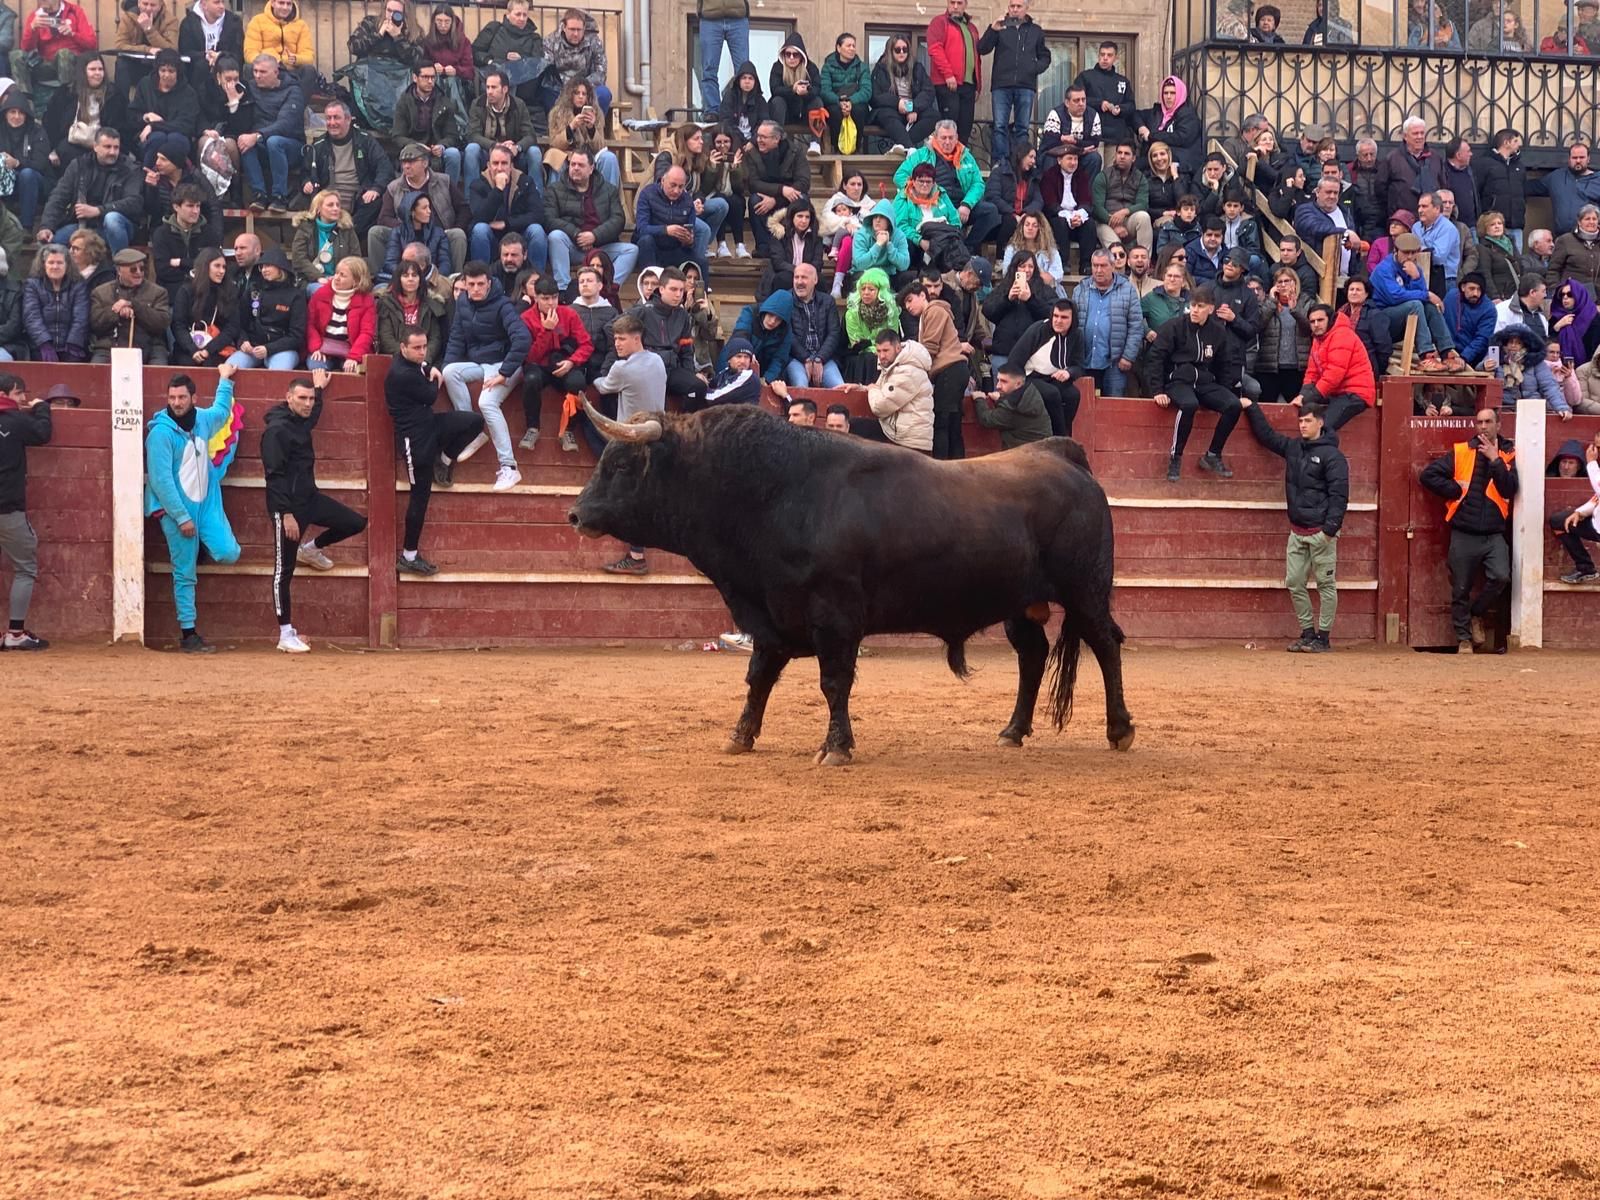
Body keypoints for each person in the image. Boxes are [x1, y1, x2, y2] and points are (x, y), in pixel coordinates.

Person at [261, 368, 367, 654]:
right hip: (288, 509)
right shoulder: (276, 431)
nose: (308, 403)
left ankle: (312, 548)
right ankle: (285, 634)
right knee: (284, 570)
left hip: (309, 499)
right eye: (303, 398)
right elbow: (274, 475)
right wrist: (285, 514)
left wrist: (319, 389)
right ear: (288, 398)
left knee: (355, 522)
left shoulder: (300, 420)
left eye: (310, 398)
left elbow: (313, 415)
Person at [1237, 394, 1348, 652]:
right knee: (1295, 582)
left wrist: (1329, 531)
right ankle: (1308, 633)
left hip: (1321, 532)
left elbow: (1339, 496)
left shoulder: (1333, 456)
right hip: (1297, 531)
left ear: (1320, 423)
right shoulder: (1294, 448)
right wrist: (1252, 407)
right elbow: (1267, 437)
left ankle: (1323, 638)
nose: (1302, 425)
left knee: (1326, 585)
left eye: (1307, 421)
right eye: (1300, 421)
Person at [144, 365, 243, 653]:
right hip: (178, 513)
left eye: (182, 397)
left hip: (207, 504)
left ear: (193, 399)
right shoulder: (160, 434)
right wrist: (182, 517)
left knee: (229, 552)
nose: (176, 402)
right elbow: (161, 482)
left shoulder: (203, 420)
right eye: (172, 397)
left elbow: (223, 411)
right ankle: (188, 635)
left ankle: (200, 546)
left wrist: (225, 380)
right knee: (184, 573)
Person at [386, 326, 483, 574]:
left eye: (424, 347)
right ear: (403, 348)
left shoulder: (409, 364)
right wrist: (433, 374)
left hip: (430, 426)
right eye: (416, 348)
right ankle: (408, 555)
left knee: (474, 421)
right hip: (414, 442)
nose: (421, 352)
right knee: (420, 497)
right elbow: (430, 395)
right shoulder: (401, 374)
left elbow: (423, 368)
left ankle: (445, 459)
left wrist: (429, 367)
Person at [1420, 407, 1518, 652]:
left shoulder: (1508, 453)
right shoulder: (1463, 450)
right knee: (1460, 587)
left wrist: (1495, 460)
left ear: (1498, 425)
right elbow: (1428, 475)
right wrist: (1454, 490)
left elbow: (1509, 489)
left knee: (1500, 576)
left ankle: (1477, 614)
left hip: (1494, 532)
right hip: (1464, 530)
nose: (1483, 426)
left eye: (1488, 422)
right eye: (1479, 422)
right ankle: (1464, 639)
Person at [442, 262, 531, 491]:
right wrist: (445, 365)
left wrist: (504, 373)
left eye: (480, 284)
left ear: (489, 283)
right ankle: (472, 432)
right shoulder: (463, 303)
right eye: (470, 284)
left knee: (487, 402)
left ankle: (510, 468)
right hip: (481, 364)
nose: (475, 289)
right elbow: (456, 338)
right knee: (450, 372)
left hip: (505, 365)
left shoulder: (503, 305)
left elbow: (522, 339)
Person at [1148, 284, 1243, 481]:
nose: (1195, 310)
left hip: (1205, 382)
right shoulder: (1174, 326)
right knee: (1189, 404)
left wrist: (1223, 392)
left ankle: (1213, 455)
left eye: (1200, 306)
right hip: (1178, 381)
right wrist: (1157, 389)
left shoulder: (1217, 332)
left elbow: (1225, 363)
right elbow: (1155, 357)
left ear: (1210, 308)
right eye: (1193, 305)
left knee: (1233, 404)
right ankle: (1176, 458)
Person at [0, 373, 51, 650]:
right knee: (25, 567)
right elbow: (43, 433)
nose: (23, 400)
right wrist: (42, 408)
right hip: (7, 508)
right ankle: (16, 634)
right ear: (11, 393)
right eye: (21, 395)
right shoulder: (16, 421)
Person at [370, 144, 469, 283]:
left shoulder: (444, 181)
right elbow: (383, 218)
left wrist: (452, 228)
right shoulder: (393, 187)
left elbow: (464, 208)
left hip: (439, 233)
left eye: (411, 162)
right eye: (403, 162)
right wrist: (407, 226)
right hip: (405, 235)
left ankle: (453, 281)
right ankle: (381, 280)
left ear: (425, 163)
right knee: (375, 232)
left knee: (458, 234)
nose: (406, 166)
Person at [37, 127, 142, 256]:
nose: (112, 152)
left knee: (112, 219)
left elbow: (134, 202)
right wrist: (47, 227)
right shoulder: (79, 165)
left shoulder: (130, 168)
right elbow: (58, 197)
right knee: (53, 245)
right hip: (83, 226)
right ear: (95, 146)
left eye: (116, 147)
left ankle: (121, 268)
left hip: (118, 228)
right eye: (107, 147)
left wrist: (98, 210)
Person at [1371, 231, 1465, 372]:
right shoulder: (1383, 269)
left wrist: (1415, 278)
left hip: (1407, 319)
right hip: (1384, 320)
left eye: (1413, 253)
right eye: (1406, 252)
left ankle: (1447, 352)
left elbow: (1421, 296)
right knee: (1415, 304)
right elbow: (1394, 296)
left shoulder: (1416, 269)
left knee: (1429, 306)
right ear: (1396, 250)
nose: (1410, 257)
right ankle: (1426, 355)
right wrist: (1426, 294)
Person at [519, 276, 594, 451]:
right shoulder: (526, 318)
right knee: (530, 379)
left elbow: (586, 344)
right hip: (539, 366)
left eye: (554, 297)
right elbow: (530, 356)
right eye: (545, 298)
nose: (551, 303)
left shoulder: (569, 314)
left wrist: (571, 362)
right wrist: (546, 331)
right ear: (536, 298)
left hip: (564, 363)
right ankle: (532, 427)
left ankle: (568, 430)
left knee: (578, 383)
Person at [546, 148, 635, 293]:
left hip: (600, 247)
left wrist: (595, 236)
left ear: (591, 168)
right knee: (555, 236)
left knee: (631, 250)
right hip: (572, 247)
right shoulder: (555, 190)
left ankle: (608, 289)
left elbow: (618, 219)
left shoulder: (608, 190)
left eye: (580, 165)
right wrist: (577, 234)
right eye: (572, 164)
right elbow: (550, 219)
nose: (575, 168)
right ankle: (563, 290)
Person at [977, 0, 1051, 165]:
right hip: (1001, 85)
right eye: (1012, 6)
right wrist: (992, 30)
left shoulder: (1036, 31)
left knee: (1022, 128)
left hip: (1026, 85)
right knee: (1000, 126)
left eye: (1019, 6)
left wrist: (1033, 68)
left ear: (1026, 8)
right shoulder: (1000, 28)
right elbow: (982, 48)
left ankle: (1021, 163)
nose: (1015, 10)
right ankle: (1000, 163)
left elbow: (1045, 56)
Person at [901, 279, 968, 459]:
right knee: (951, 425)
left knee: (941, 423)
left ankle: (942, 466)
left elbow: (930, 348)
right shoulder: (931, 313)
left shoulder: (934, 310)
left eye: (909, 300)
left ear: (922, 295)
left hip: (949, 370)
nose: (908, 306)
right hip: (952, 370)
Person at [1003, 298, 1083, 435]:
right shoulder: (1038, 330)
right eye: (1055, 316)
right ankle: (1059, 436)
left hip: (1053, 377)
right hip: (1028, 377)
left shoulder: (1076, 335)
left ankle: (1064, 432)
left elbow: (1079, 365)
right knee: (1052, 394)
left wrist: (1069, 372)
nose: (1058, 321)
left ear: (1072, 319)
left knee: (1072, 395)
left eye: (1064, 317)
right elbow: (1014, 359)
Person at [1072, 249, 1144, 397]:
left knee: (1113, 407)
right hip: (1084, 359)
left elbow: (1136, 326)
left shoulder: (1127, 290)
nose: (1098, 270)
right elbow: (1072, 323)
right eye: (1095, 265)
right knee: (1082, 405)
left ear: (1112, 266)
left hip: (1115, 362)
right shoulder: (1080, 289)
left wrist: (1128, 357)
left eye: (1103, 265)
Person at [240, 53, 304, 212]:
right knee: (243, 142)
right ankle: (259, 195)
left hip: (291, 146)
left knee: (274, 141)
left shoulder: (293, 91)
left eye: (263, 72)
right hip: (262, 144)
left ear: (276, 72)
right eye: (255, 71)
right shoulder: (250, 87)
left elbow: (285, 124)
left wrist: (257, 135)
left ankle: (279, 197)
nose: (257, 76)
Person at [739, 120, 809, 259]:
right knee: (754, 200)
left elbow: (803, 182)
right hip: (768, 195)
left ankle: (797, 246)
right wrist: (781, 190)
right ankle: (764, 248)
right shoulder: (752, 152)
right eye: (758, 136)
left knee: (802, 199)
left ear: (776, 139)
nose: (758, 140)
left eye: (763, 137)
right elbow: (753, 183)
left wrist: (776, 199)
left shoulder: (795, 151)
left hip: (788, 198)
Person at [226, 245, 303, 370]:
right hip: (252, 348)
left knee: (278, 373)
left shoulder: (296, 295)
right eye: (262, 266)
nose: (263, 270)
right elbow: (239, 323)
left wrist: (269, 349)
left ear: (280, 267)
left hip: (283, 350)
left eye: (268, 266)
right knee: (228, 368)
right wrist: (242, 341)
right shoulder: (253, 290)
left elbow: (296, 335)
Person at [89, 246, 169, 364]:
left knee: (159, 371)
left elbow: (161, 323)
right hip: (109, 347)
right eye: (133, 269)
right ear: (119, 270)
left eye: (142, 268)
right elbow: (95, 324)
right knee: (95, 373)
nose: (139, 273)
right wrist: (116, 312)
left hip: (150, 347)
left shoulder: (158, 292)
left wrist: (134, 306)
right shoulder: (100, 292)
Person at [635, 165, 711, 281]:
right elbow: (641, 229)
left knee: (702, 261)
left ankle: (702, 297)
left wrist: (688, 240)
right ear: (663, 180)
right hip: (652, 247)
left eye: (681, 187)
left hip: (674, 250)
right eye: (673, 185)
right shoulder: (647, 194)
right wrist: (666, 230)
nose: (676, 191)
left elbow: (691, 236)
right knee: (646, 241)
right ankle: (649, 288)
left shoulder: (687, 200)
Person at [466, 69, 542, 186]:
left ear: (505, 89)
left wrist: (517, 147)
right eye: (487, 87)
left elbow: (530, 135)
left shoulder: (518, 105)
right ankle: (469, 199)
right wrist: (494, 145)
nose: (489, 92)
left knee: (535, 152)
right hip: (488, 152)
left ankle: (537, 198)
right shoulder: (478, 104)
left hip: (512, 154)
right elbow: (473, 135)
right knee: (471, 149)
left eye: (493, 87)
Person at [865, 328, 934, 451]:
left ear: (898, 348)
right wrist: (862, 388)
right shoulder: (895, 365)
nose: (881, 356)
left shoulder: (908, 371)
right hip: (900, 434)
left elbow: (879, 406)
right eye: (879, 351)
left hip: (910, 442)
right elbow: (879, 389)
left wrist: (871, 390)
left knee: (855, 429)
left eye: (886, 350)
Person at [306, 255, 376, 374]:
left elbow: (366, 332)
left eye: (342, 275)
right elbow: (310, 324)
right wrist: (316, 348)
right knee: (317, 368)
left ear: (356, 281)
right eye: (337, 273)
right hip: (323, 346)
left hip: (351, 349)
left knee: (353, 373)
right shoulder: (320, 294)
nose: (336, 278)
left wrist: (354, 357)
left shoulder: (367, 301)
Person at [10, 0, 95, 97]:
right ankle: (25, 101)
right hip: (46, 64)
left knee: (64, 53)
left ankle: (67, 98)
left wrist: (73, 34)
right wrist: (32, 28)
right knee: (16, 55)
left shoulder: (75, 12)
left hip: (71, 65)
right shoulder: (36, 16)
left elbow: (91, 44)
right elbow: (26, 49)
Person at [926, 0, 983, 144]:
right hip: (947, 83)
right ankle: (945, 164)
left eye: (959, 2)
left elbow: (976, 57)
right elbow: (935, 49)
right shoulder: (939, 22)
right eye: (952, 2)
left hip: (968, 85)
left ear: (966, 4)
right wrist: (948, 74)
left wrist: (978, 85)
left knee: (965, 128)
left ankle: (959, 164)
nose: (956, 6)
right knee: (948, 129)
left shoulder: (972, 28)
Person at [172, 247, 239, 367]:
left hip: (218, 348)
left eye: (224, 267)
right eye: (217, 266)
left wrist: (208, 350)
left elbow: (231, 327)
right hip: (188, 348)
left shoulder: (230, 291)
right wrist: (193, 350)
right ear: (205, 266)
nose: (222, 271)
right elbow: (178, 325)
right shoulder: (186, 290)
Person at [871, 34, 938, 154]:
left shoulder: (917, 68)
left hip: (914, 110)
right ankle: (911, 150)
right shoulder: (881, 69)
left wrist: (913, 108)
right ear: (890, 51)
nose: (901, 52)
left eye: (905, 49)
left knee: (934, 116)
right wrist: (897, 103)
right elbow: (875, 97)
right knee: (885, 114)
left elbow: (928, 91)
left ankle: (902, 145)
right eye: (897, 50)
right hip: (892, 111)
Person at [23, 242, 87, 361]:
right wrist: (44, 344)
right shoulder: (33, 285)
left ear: (67, 265)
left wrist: (73, 343)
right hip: (40, 347)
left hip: (72, 346)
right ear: (44, 265)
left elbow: (81, 317)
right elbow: (31, 317)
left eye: (59, 263)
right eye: (51, 262)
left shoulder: (78, 284)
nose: (55, 266)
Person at [984, 253, 1054, 360]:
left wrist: (1031, 300)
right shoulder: (1003, 288)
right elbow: (988, 311)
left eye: (1030, 266)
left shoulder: (1045, 290)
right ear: (1015, 268)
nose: (1027, 270)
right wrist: (1007, 299)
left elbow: (1052, 314)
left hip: (1034, 354)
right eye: (1022, 266)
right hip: (1004, 352)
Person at [1549, 439, 1600, 584]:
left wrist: (1591, 463)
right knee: (1559, 521)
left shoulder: (1594, 467)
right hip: (1597, 525)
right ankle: (1586, 569)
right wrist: (1580, 512)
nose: (1595, 452)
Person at [785, 262, 842, 389]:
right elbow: (787, 335)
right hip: (796, 359)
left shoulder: (828, 301)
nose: (799, 282)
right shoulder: (785, 299)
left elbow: (834, 333)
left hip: (824, 358)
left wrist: (819, 359)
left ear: (815, 280)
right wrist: (806, 358)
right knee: (801, 387)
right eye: (796, 277)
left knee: (840, 387)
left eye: (804, 277)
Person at [290, 189, 360, 293]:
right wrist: (319, 277)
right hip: (312, 280)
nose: (336, 208)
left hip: (341, 281)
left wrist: (339, 278)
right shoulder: (305, 228)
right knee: (322, 291)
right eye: (330, 205)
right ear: (318, 209)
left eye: (338, 205)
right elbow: (299, 259)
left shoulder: (347, 229)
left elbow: (355, 258)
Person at [150, 182, 209, 304]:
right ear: (176, 207)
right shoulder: (161, 233)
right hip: (170, 298)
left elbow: (210, 266)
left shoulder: (209, 232)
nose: (196, 211)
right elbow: (163, 270)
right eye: (190, 206)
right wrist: (194, 269)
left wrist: (181, 262)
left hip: (201, 298)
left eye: (198, 206)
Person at [1525, 142, 1600, 238]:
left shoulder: (1597, 180)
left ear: (1588, 159)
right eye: (1574, 157)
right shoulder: (1556, 177)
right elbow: (1532, 187)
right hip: (1563, 237)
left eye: (1582, 157)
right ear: (1569, 159)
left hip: (1590, 238)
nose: (1578, 161)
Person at [0, 93, 50, 231]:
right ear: (5, 113)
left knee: (27, 174)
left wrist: (17, 163)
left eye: (21, 113)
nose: (16, 116)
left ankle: (26, 227)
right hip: (5, 179)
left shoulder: (37, 131)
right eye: (12, 112)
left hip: (35, 182)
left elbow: (41, 164)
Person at [973, 359, 1051, 448]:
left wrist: (979, 399)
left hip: (1025, 456)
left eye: (1004, 381)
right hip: (1040, 450)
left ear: (1018, 384)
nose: (998, 386)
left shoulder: (1013, 407)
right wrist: (1001, 399)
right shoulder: (1029, 391)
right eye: (998, 380)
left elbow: (986, 419)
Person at [1379, 116, 1442, 220]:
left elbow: (1443, 184)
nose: (1420, 136)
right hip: (1403, 220)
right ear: (1405, 136)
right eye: (1415, 133)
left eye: (1422, 133)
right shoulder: (1392, 159)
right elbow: (1381, 189)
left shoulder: (1435, 158)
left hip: (1432, 220)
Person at [842, 268, 899, 382]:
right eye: (863, 289)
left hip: (885, 352)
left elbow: (892, 337)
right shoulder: (851, 314)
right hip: (859, 356)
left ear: (880, 291)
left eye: (871, 289)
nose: (866, 292)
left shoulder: (892, 311)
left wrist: (879, 349)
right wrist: (876, 349)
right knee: (870, 358)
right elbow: (857, 342)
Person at [1073, 41, 1134, 145]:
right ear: (1098, 56)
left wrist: (1120, 109)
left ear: (1116, 58)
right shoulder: (1085, 77)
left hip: (1116, 136)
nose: (1105, 58)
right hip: (1091, 134)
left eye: (1109, 55)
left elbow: (1131, 106)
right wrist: (1100, 104)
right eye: (1102, 54)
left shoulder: (1123, 81)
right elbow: (1075, 100)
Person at [820, 33, 872, 152]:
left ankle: (856, 148)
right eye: (848, 45)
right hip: (835, 102)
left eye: (854, 46)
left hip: (856, 102)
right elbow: (824, 90)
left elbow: (867, 91)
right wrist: (839, 102)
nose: (852, 48)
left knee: (859, 111)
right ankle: (836, 148)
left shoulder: (862, 67)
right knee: (834, 112)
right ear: (839, 48)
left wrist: (851, 102)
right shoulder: (827, 67)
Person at [697, 0, 750, 117]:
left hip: (738, 16)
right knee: (709, 68)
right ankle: (712, 109)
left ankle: (742, 108)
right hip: (710, 16)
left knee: (743, 69)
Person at [179, 0, 245, 88]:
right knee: (200, 66)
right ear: (204, 5)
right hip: (196, 72)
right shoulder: (188, 23)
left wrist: (220, 56)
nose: (222, 6)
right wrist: (206, 55)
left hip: (227, 66)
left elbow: (238, 52)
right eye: (217, 2)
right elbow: (185, 52)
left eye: (223, 2)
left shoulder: (234, 22)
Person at [1001, 210, 1064, 296]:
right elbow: (1007, 274)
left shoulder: (1051, 251)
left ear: (1040, 229)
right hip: (1018, 290)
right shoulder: (1012, 249)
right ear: (1022, 227)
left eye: (1034, 226)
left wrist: (1026, 274)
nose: (1030, 228)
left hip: (1044, 292)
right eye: (1027, 225)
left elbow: (1055, 276)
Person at [764, 203, 822, 297]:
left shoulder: (816, 237)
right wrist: (798, 271)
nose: (804, 220)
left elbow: (818, 262)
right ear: (792, 217)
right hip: (786, 273)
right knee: (784, 278)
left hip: (807, 274)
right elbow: (778, 262)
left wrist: (804, 273)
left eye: (807, 217)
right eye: (800, 216)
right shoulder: (779, 234)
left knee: (820, 280)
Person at [1442, 272, 1497, 368]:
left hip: (1471, 357)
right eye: (1472, 289)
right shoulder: (1451, 297)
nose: (1475, 293)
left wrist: (1464, 357)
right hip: (1447, 350)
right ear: (1463, 287)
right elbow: (1442, 323)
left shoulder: (1489, 309)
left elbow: (1482, 338)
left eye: (1479, 290)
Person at [348, 0, 421, 69]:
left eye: (396, 13)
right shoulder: (370, 22)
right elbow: (353, 47)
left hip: (399, 77)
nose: (391, 16)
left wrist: (398, 38)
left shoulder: (414, 31)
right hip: (369, 76)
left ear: (405, 15)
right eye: (389, 10)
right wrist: (378, 35)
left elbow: (417, 60)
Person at [420, 3, 474, 90]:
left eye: (447, 21)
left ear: (452, 21)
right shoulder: (428, 41)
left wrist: (456, 71)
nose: (443, 25)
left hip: (458, 84)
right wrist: (432, 68)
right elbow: (421, 66)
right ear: (434, 21)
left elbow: (470, 71)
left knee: (452, 82)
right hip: (433, 82)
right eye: (439, 21)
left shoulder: (463, 41)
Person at [719, 60, 768, 147]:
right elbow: (726, 121)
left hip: (755, 141)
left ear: (755, 81)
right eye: (744, 78)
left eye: (750, 78)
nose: (747, 81)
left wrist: (752, 142)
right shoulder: (730, 97)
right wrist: (741, 140)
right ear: (738, 80)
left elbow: (763, 124)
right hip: (733, 140)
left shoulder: (760, 101)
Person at [705, 336, 761, 406]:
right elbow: (711, 384)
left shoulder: (748, 377)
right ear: (729, 359)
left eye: (746, 357)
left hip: (742, 416)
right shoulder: (725, 372)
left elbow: (713, 398)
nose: (742, 361)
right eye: (739, 356)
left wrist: (701, 386)